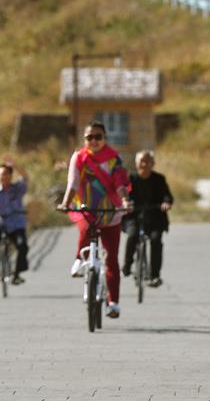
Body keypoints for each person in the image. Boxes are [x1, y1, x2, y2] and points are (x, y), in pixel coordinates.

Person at [57, 121, 132, 319]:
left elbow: (120, 182)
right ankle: (79, 260)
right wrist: (65, 203)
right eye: (89, 137)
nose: (94, 141)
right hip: (87, 208)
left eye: (98, 137)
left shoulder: (113, 158)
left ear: (105, 138)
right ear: (84, 140)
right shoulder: (79, 157)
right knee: (85, 229)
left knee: (112, 259)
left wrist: (125, 200)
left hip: (111, 211)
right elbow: (72, 183)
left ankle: (113, 303)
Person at [122, 150, 173, 287]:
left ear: (153, 163)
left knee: (156, 240)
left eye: (147, 161)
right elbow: (123, 196)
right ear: (136, 163)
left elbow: (167, 196)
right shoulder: (130, 179)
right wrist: (126, 204)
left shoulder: (159, 179)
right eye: (141, 161)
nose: (144, 164)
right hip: (134, 216)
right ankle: (127, 265)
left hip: (155, 217)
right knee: (132, 236)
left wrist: (166, 203)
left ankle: (155, 275)